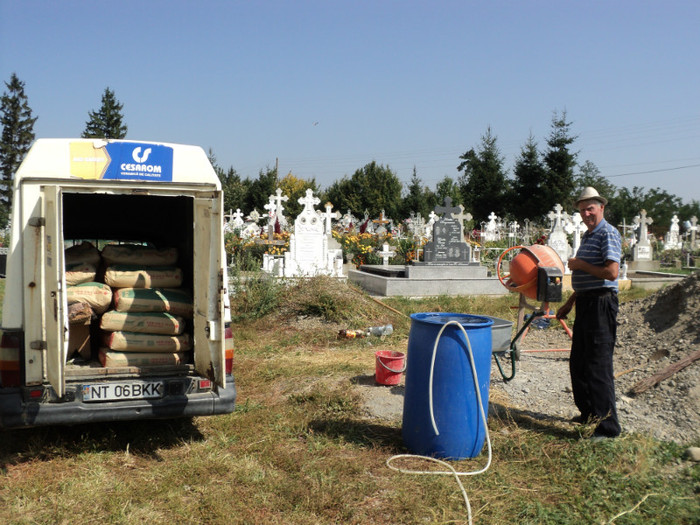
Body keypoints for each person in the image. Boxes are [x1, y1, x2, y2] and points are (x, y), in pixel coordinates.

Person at [556, 187, 622, 440]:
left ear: (601, 208)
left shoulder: (608, 233)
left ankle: (608, 428)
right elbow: (588, 279)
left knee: (597, 364)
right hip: (585, 302)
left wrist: (581, 265)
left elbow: (611, 273)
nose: (586, 213)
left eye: (590, 208)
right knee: (579, 362)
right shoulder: (588, 235)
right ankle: (589, 414)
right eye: (582, 209)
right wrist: (570, 303)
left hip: (600, 305)